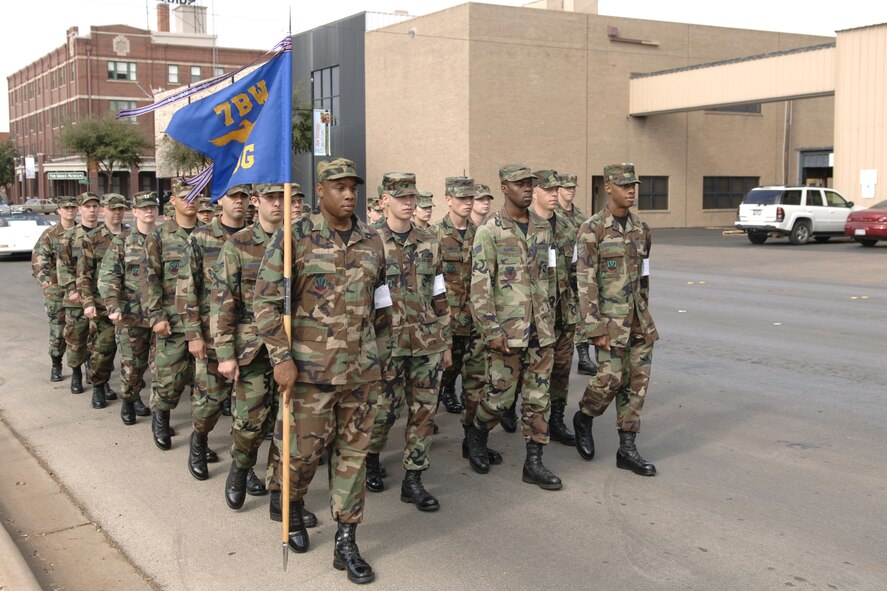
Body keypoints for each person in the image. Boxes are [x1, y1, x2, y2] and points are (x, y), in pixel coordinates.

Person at [253, 158, 386, 583]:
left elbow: (380, 303)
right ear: (321, 191)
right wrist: (281, 358)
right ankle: (290, 507)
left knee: (353, 458)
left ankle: (346, 540)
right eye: (340, 187)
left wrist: (380, 354)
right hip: (310, 374)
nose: (349, 195)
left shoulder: (372, 241)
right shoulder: (295, 239)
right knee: (301, 456)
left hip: (361, 374)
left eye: (354, 188)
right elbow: (266, 303)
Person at [213, 183, 316, 527]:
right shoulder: (238, 244)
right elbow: (225, 302)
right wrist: (225, 353)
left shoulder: (304, 242)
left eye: (285, 199)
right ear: (256, 203)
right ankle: (241, 466)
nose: (279, 205)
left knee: (287, 426)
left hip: (296, 349)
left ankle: (279, 495)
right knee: (250, 422)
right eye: (272, 198)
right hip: (253, 348)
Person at [464, 164, 561, 490]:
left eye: (530, 183)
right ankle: (477, 434)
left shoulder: (542, 227)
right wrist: (491, 331)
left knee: (538, 399)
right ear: (504, 187)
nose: (527, 188)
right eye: (520, 184)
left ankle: (534, 462)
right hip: (506, 333)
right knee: (500, 399)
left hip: (540, 329)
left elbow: (548, 277)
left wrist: (550, 318)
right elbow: (480, 286)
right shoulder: (490, 230)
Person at [365, 173, 452, 512]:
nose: (408, 202)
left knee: (424, 414)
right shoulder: (369, 241)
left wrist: (445, 342)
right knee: (384, 412)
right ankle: (372, 456)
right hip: (385, 345)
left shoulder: (430, 241)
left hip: (426, 341)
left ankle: (413, 479)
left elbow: (440, 293)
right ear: (383, 199)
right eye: (400, 196)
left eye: (412, 196)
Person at [574, 163, 659, 477]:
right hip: (609, 323)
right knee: (610, 380)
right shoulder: (592, 229)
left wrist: (645, 313)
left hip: (639, 320)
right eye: (625, 186)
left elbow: (644, 277)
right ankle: (585, 416)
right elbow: (585, 281)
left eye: (634, 185)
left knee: (637, 383)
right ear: (608, 187)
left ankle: (627, 448)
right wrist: (593, 325)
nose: (632, 191)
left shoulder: (642, 229)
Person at [176, 185, 250, 481]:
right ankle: (199, 441)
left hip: (250, 338)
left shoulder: (256, 239)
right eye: (234, 197)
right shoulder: (201, 237)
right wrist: (193, 334)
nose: (240, 202)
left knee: (246, 409)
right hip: (211, 334)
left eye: (244, 197)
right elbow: (186, 287)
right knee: (209, 400)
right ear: (221, 200)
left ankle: (242, 463)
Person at [434, 177, 503, 465]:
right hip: (446, 327)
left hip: (476, 325)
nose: (467, 203)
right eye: (461, 198)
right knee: (434, 385)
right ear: (448, 199)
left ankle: (472, 441)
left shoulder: (483, 234)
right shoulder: (434, 235)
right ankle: (416, 445)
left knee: (476, 385)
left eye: (470, 198)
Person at [144, 184, 199, 451]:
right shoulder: (160, 236)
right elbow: (150, 279)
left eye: (196, 195)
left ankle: (201, 438)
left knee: (205, 385)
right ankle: (161, 417)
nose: (191, 201)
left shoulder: (209, 234)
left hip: (204, 323)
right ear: (173, 200)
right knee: (170, 378)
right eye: (185, 196)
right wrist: (156, 315)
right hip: (173, 322)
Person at [98, 191, 158, 424]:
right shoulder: (122, 241)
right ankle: (129, 400)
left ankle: (159, 415)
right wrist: (113, 305)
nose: (149, 211)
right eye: (144, 208)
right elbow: (108, 277)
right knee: (133, 367)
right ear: (134, 212)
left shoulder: (165, 239)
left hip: (160, 317)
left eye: (152, 207)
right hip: (131, 316)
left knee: (161, 369)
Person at [531, 170, 578, 446]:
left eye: (555, 190)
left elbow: (574, 271)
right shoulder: (524, 228)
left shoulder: (567, 229)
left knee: (561, 369)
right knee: (534, 375)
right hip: (535, 316)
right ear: (535, 191)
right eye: (548, 190)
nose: (553, 195)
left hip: (563, 311)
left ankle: (556, 419)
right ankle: (530, 420)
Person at [78, 193, 127, 409]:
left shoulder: (132, 235)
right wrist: (88, 302)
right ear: (103, 210)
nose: (116, 213)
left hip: (129, 306)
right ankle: (98, 386)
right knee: (103, 350)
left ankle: (132, 398)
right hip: (102, 306)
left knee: (133, 356)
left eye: (120, 209)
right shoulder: (92, 238)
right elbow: (84, 275)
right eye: (112, 209)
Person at [57, 192, 101, 395]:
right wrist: (72, 290)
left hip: (100, 299)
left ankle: (100, 379)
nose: (92, 210)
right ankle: (76, 373)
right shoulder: (69, 237)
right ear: (79, 209)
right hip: (76, 300)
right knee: (76, 339)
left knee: (100, 343)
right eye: (87, 206)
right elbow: (63, 267)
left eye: (95, 206)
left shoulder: (106, 234)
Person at [32, 195, 77, 382]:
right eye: (66, 208)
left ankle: (84, 368)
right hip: (56, 290)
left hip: (78, 290)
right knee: (58, 331)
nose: (70, 211)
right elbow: (38, 258)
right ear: (59, 211)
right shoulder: (50, 234)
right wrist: (43, 278)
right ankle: (56, 363)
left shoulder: (82, 232)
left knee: (80, 332)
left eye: (73, 207)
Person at [557, 173, 597, 376]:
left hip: (577, 272)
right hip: (559, 272)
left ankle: (583, 356)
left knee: (582, 312)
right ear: (558, 190)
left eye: (573, 188)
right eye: (566, 188)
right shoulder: (550, 215)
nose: (570, 191)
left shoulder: (582, 217)